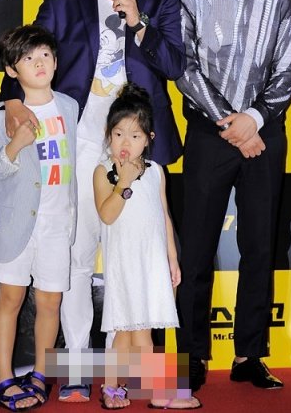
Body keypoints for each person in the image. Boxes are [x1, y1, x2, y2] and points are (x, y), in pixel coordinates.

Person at [0, 0, 185, 402]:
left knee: (142, 259)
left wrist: (139, 23)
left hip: (139, 146)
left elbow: (175, 65)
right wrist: (11, 101)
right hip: (78, 141)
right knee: (78, 258)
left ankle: (143, 378)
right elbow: (27, 59)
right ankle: (78, 368)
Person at [175, 0, 291, 392]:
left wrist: (254, 120)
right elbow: (185, 70)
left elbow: (288, 71)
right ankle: (192, 354)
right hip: (210, 136)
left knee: (260, 246)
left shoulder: (277, 2)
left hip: (265, 135)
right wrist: (231, 124)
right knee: (197, 248)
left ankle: (250, 354)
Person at [0, 25, 78, 410]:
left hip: (58, 224)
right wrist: (15, 145)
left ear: (56, 62)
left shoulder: (70, 107)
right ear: (12, 70)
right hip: (16, 225)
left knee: (50, 302)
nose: (39, 63)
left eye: (45, 55)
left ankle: (41, 374)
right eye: (28, 58)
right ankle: (3, 378)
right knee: (10, 298)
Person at [93, 82, 200, 410]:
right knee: (134, 331)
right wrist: (124, 183)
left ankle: (113, 387)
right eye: (119, 134)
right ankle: (156, 392)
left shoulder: (156, 172)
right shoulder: (103, 171)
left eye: (135, 135)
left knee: (133, 330)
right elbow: (107, 215)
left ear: (149, 139)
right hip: (124, 262)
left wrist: (172, 258)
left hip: (151, 262)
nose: (126, 142)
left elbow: (164, 215)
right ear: (108, 135)